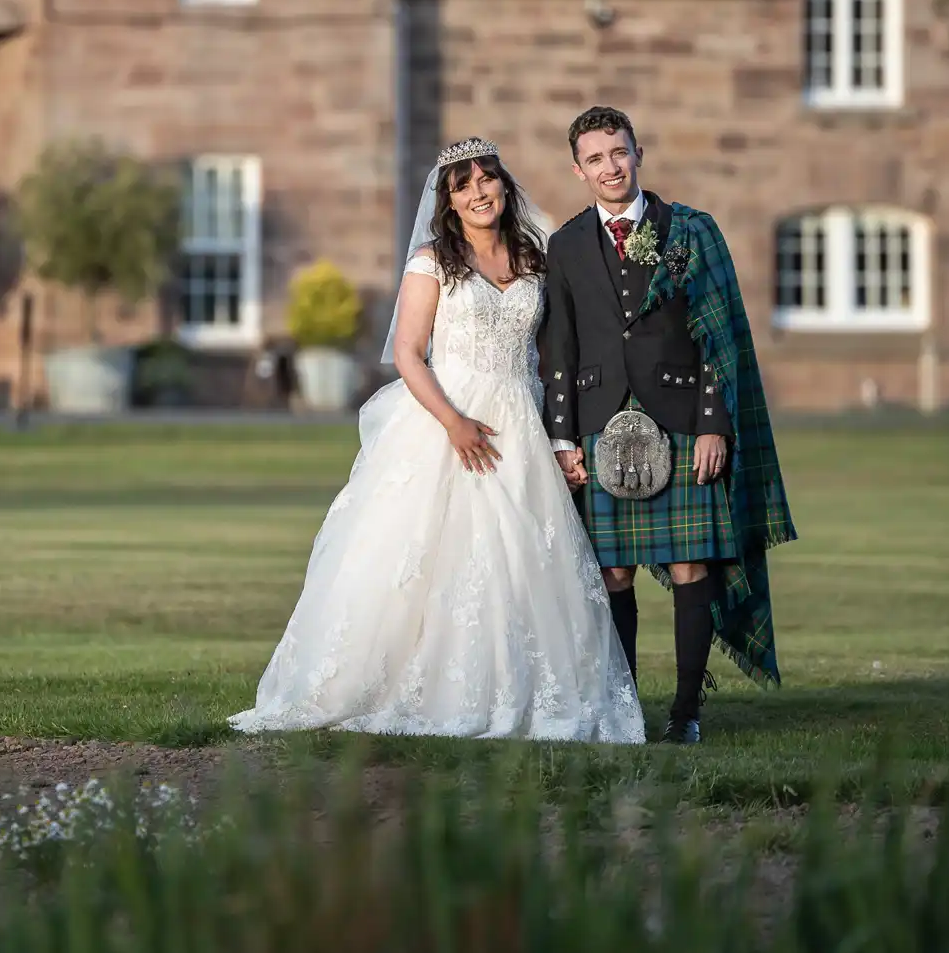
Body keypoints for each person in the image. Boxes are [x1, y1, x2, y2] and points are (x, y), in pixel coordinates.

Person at [228, 138, 643, 742]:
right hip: (447, 418)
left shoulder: (534, 258)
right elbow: (407, 352)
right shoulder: (433, 261)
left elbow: (554, 351)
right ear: (448, 200)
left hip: (520, 419)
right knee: (430, 555)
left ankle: (525, 690)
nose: (479, 193)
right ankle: (412, 685)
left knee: (526, 557)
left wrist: (562, 434)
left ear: (504, 185)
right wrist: (452, 422)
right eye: (464, 185)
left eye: (487, 180)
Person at [539, 106, 798, 744]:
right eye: (595, 158)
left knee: (690, 565)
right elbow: (559, 350)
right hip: (601, 422)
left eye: (618, 152)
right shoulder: (566, 244)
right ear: (578, 169)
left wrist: (715, 424)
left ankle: (686, 713)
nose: (610, 167)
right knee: (612, 574)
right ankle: (625, 711)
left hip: (683, 418)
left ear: (638, 153)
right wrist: (564, 438)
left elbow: (717, 334)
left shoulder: (690, 230)